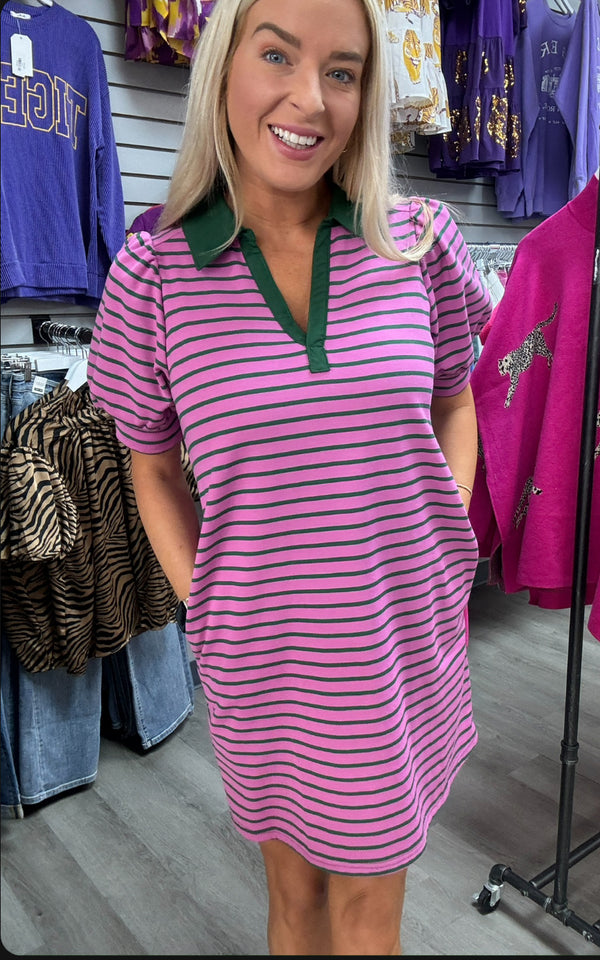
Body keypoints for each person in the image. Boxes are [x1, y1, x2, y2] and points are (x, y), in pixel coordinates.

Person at [87, 0, 492, 953]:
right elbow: (151, 467)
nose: (310, 98)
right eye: (278, 55)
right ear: (224, 64)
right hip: (263, 663)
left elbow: (457, 400)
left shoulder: (417, 239)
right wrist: (208, 602)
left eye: (342, 71)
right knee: (294, 897)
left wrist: (445, 552)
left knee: (368, 918)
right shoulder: (153, 271)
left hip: (397, 641)